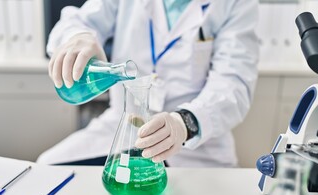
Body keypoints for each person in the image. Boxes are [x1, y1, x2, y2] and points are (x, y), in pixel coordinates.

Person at [38, 0, 259, 167]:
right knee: (47, 167)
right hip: (122, 123)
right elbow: (78, 20)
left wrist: (185, 123)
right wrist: (78, 36)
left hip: (195, 143)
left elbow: (233, 83)